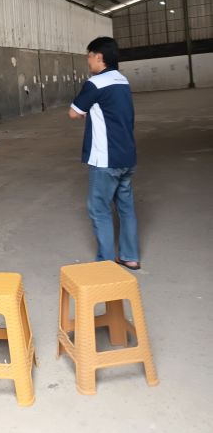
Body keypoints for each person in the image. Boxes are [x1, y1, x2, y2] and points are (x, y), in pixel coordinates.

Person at [68, 36, 140, 270]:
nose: (88, 61)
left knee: (99, 209)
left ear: (99, 57)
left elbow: (74, 112)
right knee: (125, 207)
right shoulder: (122, 80)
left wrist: (88, 110)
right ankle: (130, 256)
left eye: (89, 56)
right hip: (127, 156)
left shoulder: (95, 83)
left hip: (106, 159)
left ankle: (105, 264)